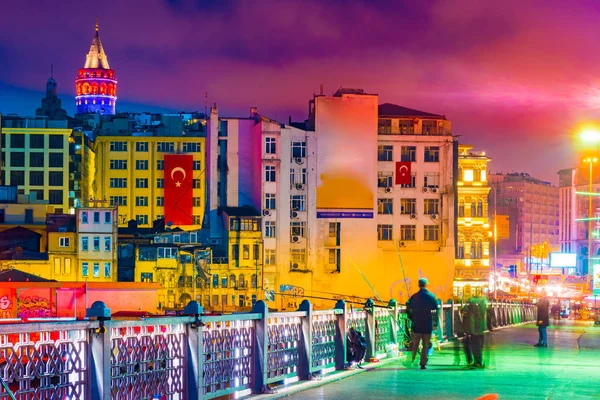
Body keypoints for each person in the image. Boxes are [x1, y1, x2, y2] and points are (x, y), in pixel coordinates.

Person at [407, 278, 439, 370]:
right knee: (425, 344)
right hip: (427, 324)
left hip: (416, 324)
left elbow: (408, 309)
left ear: (418, 285)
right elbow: (435, 311)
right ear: (426, 285)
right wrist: (435, 323)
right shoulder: (431, 296)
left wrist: (412, 318)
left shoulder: (414, 296)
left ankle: (412, 360)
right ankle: (423, 363)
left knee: (415, 344)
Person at [463, 292, 488, 369]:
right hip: (481, 327)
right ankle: (478, 361)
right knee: (479, 346)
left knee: (475, 346)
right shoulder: (483, 302)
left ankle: (478, 362)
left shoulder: (470, 302)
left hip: (473, 328)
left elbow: (464, 311)